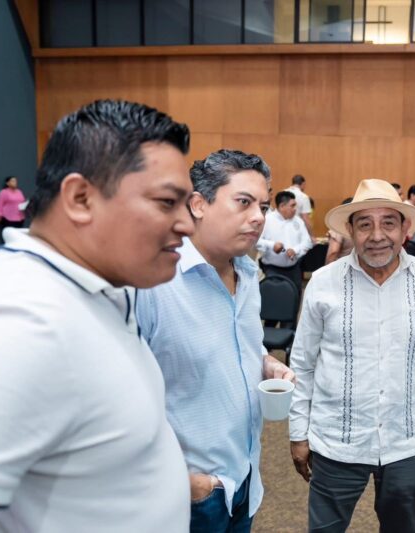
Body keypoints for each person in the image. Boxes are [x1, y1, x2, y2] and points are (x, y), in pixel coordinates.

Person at [0, 99, 194, 532]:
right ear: (81, 198)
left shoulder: (96, 288)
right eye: (166, 202)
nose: (187, 224)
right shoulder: (14, 321)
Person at [289, 178, 415, 533]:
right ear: (351, 230)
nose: (377, 235)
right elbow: (302, 364)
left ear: (405, 228)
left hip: (402, 441)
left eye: (389, 223)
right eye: (365, 224)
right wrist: (297, 432)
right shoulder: (323, 282)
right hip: (336, 442)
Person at [137, 149, 294, 533]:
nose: (259, 217)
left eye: (263, 206)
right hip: (187, 494)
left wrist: (265, 361)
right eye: (243, 202)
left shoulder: (247, 273)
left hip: (244, 478)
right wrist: (189, 484)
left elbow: (238, 341)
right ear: (198, 204)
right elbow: (110, 399)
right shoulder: (152, 282)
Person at [257, 190, 313, 294]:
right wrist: (272, 245)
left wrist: (295, 250)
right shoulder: (266, 220)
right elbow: (256, 241)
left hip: (294, 269)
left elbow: (308, 242)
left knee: (295, 297)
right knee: (274, 297)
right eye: (292, 206)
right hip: (272, 270)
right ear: (282, 206)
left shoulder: (298, 221)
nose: (295, 209)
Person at [0, 175, 26, 241]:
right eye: (13, 181)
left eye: (15, 181)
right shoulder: (3, 192)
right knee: (11, 237)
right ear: (7, 183)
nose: (15, 182)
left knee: (19, 236)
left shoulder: (19, 192)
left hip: (20, 218)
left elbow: (22, 201)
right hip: (8, 218)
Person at [324, 197, 354, 265]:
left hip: (340, 266)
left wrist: (327, 268)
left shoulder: (337, 228)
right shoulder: (359, 228)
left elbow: (333, 253)